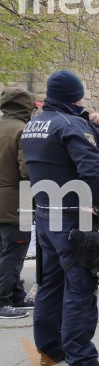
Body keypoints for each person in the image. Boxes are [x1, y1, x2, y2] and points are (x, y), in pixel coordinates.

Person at [21, 70, 99, 366]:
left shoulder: (34, 124)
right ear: (73, 97)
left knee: (51, 283)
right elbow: (92, 171)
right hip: (73, 215)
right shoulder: (71, 124)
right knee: (81, 286)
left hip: (46, 213)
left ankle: (50, 349)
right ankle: (82, 360)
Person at [0, 88, 36, 319]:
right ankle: (3, 300)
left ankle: (16, 295)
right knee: (14, 252)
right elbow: (27, 171)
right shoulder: (22, 131)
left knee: (6, 251)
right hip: (17, 201)